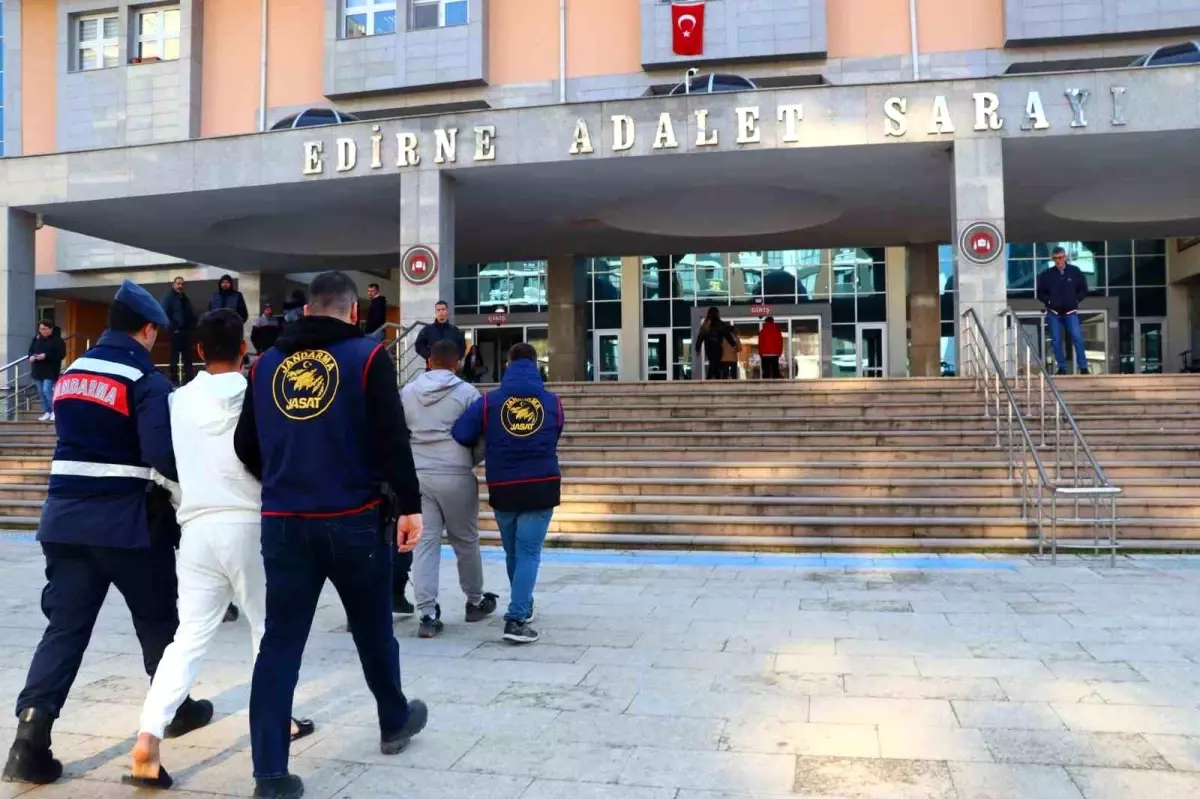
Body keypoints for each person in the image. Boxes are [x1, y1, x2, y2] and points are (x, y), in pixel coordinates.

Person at [2, 280, 212, 786]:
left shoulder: (73, 372)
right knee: (160, 621)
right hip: (126, 523)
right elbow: (160, 453)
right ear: (145, 329)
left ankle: (29, 741)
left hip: (63, 520)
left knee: (65, 630)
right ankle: (175, 710)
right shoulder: (144, 378)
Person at [233, 270, 427, 799]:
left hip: (284, 523)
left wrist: (282, 477)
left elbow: (245, 444)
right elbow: (392, 439)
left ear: (309, 308)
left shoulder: (266, 364)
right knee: (372, 628)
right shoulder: (366, 357)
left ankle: (271, 773)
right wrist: (409, 506)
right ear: (349, 310)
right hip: (354, 517)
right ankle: (393, 718)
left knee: (280, 643)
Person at [125, 310, 314, 789]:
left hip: (197, 527)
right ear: (245, 349)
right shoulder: (258, 393)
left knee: (187, 638)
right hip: (251, 523)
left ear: (200, 351)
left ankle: (149, 734)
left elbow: (166, 460)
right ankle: (280, 722)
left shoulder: (176, 400)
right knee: (268, 631)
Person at [452, 342, 563, 645]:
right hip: (542, 485)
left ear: (509, 365)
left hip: (503, 486)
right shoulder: (553, 403)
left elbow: (461, 433)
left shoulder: (490, 402)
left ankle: (522, 607)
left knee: (514, 551)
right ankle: (516, 616)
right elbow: (555, 433)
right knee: (528, 552)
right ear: (536, 366)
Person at [401, 339, 497, 639]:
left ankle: (427, 613)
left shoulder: (407, 392)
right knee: (465, 540)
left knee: (425, 543)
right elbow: (481, 437)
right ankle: (475, 601)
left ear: (429, 361)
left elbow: (398, 432)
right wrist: (468, 459)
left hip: (418, 474)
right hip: (456, 473)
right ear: (457, 363)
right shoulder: (467, 393)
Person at [1036, 246, 1090, 376]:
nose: (1058, 261)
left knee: (1077, 338)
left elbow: (1083, 289)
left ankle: (1083, 367)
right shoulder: (1046, 274)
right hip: (1054, 313)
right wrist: (1049, 301)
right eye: (1055, 259)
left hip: (1070, 312)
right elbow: (1040, 293)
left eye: (1060, 258)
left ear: (1064, 257)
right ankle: (1062, 367)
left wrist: (1075, 300)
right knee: (1056, 341)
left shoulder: (1075, 272)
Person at [161, 276, 197, 386]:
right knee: (174, 359)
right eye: (178, 283)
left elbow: (190, 315)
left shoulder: (185, 299)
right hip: (175, 333)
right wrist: (173, 328)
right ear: (173, 285)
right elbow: (164, 314)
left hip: (186, 333)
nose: (180, 286)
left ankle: (189, 381)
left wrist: (191, 329)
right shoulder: (168, 298)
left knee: (188, 359)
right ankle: (174, 381)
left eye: (182, 284)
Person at [28, 322, 66, 422]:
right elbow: (30, 351)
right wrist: (31, 356)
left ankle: (55, 411)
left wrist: (46, 356)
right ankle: (47, 411)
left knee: (47, 390)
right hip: (38, 369)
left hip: (50, 369)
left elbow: (61, 354)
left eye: (45, 329)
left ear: (50, 329)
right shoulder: (36, 339)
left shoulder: (58, 340)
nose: (43, 331)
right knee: (41, 392)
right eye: (41, 329)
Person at [414, 301, 466, 367]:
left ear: (447, 311)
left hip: (450, 367)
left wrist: (457, 359)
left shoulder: (455, 330)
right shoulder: (427, 329)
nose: (441, 312)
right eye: (438, 310)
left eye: (443, 309)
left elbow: (462, 347)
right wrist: (429, 356)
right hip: (433, 367)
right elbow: (418, 345)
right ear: (435, 313)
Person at [696, 307, 737, 380]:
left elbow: (701, 336)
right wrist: (733, 344)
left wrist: (697, 348)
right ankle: (709, 378)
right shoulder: (719, 323)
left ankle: (717, 378)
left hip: (708, 347)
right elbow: (727, 334)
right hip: (717, 346)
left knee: (714, 362)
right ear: (717, 313)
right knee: (714, 363)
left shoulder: (706, 323)